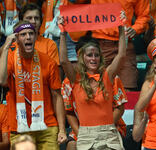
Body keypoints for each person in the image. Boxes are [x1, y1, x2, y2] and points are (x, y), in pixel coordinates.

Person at [58, 11, 126, 149]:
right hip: (85, 135)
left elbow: (122, 55)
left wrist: (121, 28)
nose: (93, 58)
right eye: (89, 55)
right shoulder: (75, 79)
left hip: (108, 133)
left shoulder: (108, 76)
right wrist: (63, 33)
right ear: (82, 57)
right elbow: (64, 61)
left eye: (96, 55)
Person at [0, 20, 67, 149]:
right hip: (19, 126)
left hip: (47, 125)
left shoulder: (48, 62)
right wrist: (7, 46)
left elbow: (57, 97)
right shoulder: (9, 59)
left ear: (36, 37)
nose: (28, 37)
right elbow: (2, 81)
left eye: (31, 33)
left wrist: (62, 129)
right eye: (23, 34)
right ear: (16, 38)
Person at [62, 75, 127, 150]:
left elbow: (119, 108)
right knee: (72, 145)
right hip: (82, 128)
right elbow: (69, 112)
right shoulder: (68, 81)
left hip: (110, 126)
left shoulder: (112, 77)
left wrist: (102, 130)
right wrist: (81, 135)